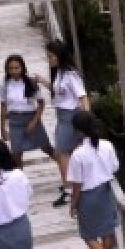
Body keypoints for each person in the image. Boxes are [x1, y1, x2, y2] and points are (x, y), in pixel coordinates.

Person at [67, 110, 125, 249]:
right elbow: (115, 167)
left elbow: (77, 184)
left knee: (89, 236)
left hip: (88, 197)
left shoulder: (78, 154)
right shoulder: (107, 145)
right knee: (107, 232)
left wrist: (73, 204)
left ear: (77, 131)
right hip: (106, 192)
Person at [34, 40, 89, 208]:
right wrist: (44, 82)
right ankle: (72, 183)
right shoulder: (59, 72)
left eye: (51, 56)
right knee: (65, 152)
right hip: (62, 116)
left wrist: (87, 120)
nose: (49, 59)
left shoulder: (71, 75)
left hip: (71, 117)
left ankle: (69, 189)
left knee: (61, 152)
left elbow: (83, 97)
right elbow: (60, 91)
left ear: (60, 56)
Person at [0, 54, 53, 170]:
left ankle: (66, 170)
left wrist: (34, 121)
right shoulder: (4, 84)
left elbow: (41, 103)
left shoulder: (30, 81)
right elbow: (3, 106)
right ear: (7, 69)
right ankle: (19, 181)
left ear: (22, 67)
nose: (14, 71)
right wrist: (3, 129)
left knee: (46, 147)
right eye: (10, 68)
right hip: (15, 121)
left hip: (31, 117)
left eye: (16, 68)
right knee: (16, 153)